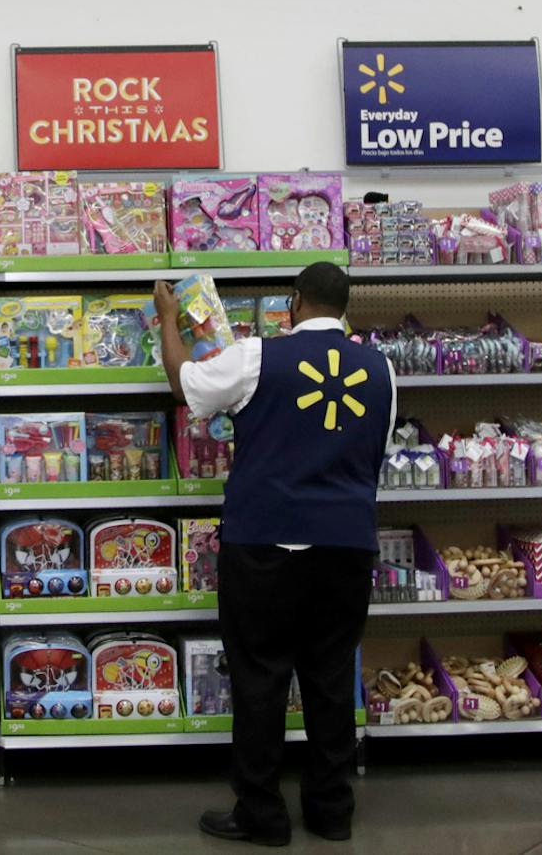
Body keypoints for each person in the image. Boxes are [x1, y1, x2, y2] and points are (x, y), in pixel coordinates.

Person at [154, 262, 393, 847]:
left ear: (293, 303)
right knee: (331, 680)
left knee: (260, 680)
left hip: (266, 544)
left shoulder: (258, 356)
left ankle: (262, 814)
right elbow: (374, 456)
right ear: (345, 309)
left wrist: (167, 318)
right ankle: (332, 810)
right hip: (346, 549)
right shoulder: (382, 369)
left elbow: (184, 386)